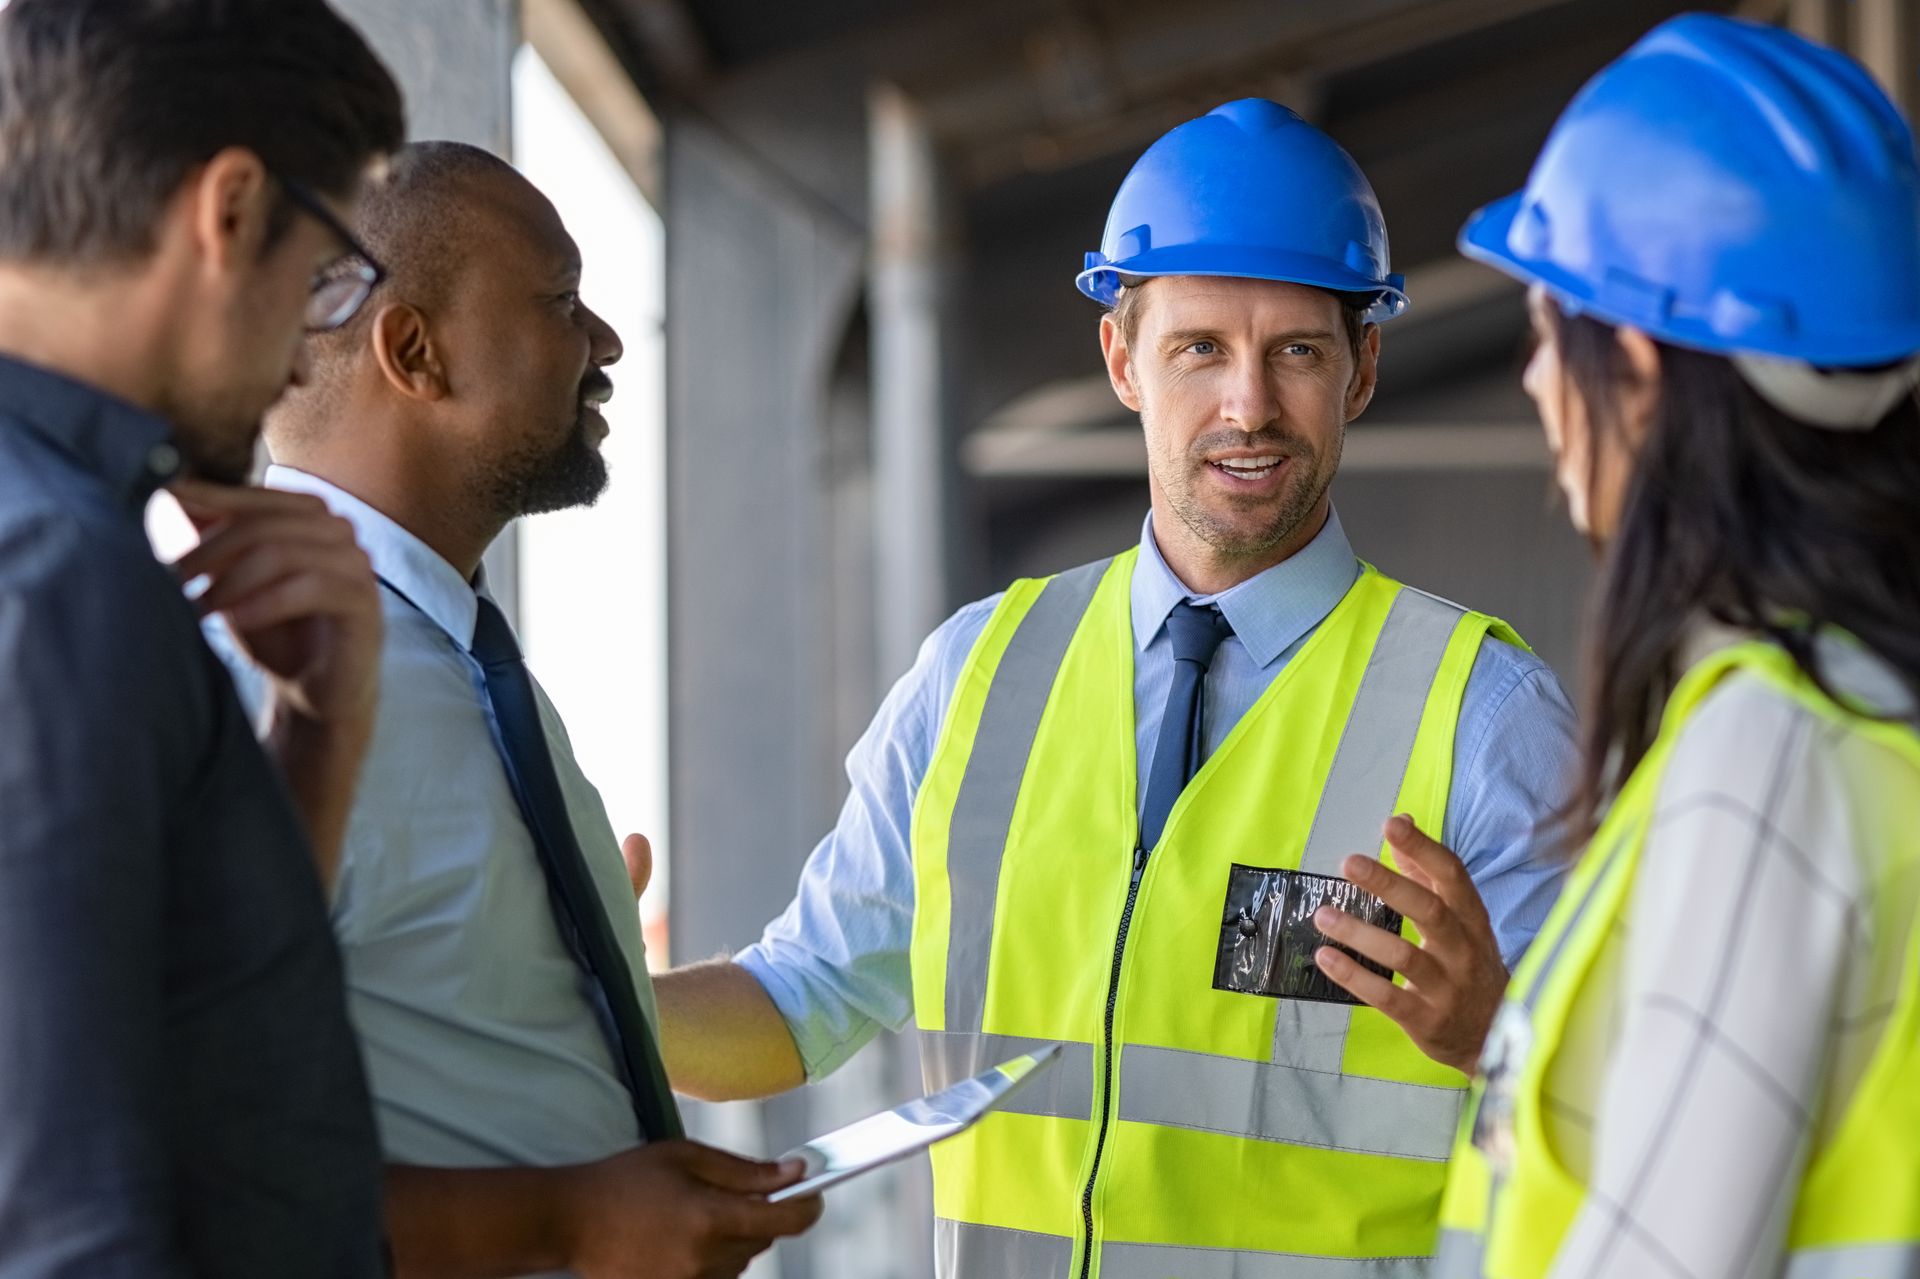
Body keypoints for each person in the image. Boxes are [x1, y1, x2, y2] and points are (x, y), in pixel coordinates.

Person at [657, 98, 1581, 1275]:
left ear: (1362, 369)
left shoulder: (1484, 715)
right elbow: (802, 997)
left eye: (1296, 349)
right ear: (1122, 358)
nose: (1248, 403)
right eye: (1201, 347)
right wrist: (584, 996)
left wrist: (1494, 1030)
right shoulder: (975, 677)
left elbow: (1621, 1112)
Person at [214, 141, 821, 1279]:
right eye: (559, 301)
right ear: (415, 351)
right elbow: (175, 1164)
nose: (604, 342)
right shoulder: (247, 676)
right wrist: (573, 1220)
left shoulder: (459, 663)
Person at [1433, 14, 1920, 1278]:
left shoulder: (1773, 754)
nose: (1538, 388)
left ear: (1637, 369)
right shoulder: (1866, 717)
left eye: (1546, 335)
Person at [0, 0, 406, 1274]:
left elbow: (179, 1038)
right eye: (325, 274)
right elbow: (70, 1226)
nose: (305, 355)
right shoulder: (55, 573)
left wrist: (315, 738)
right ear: (230, 211)